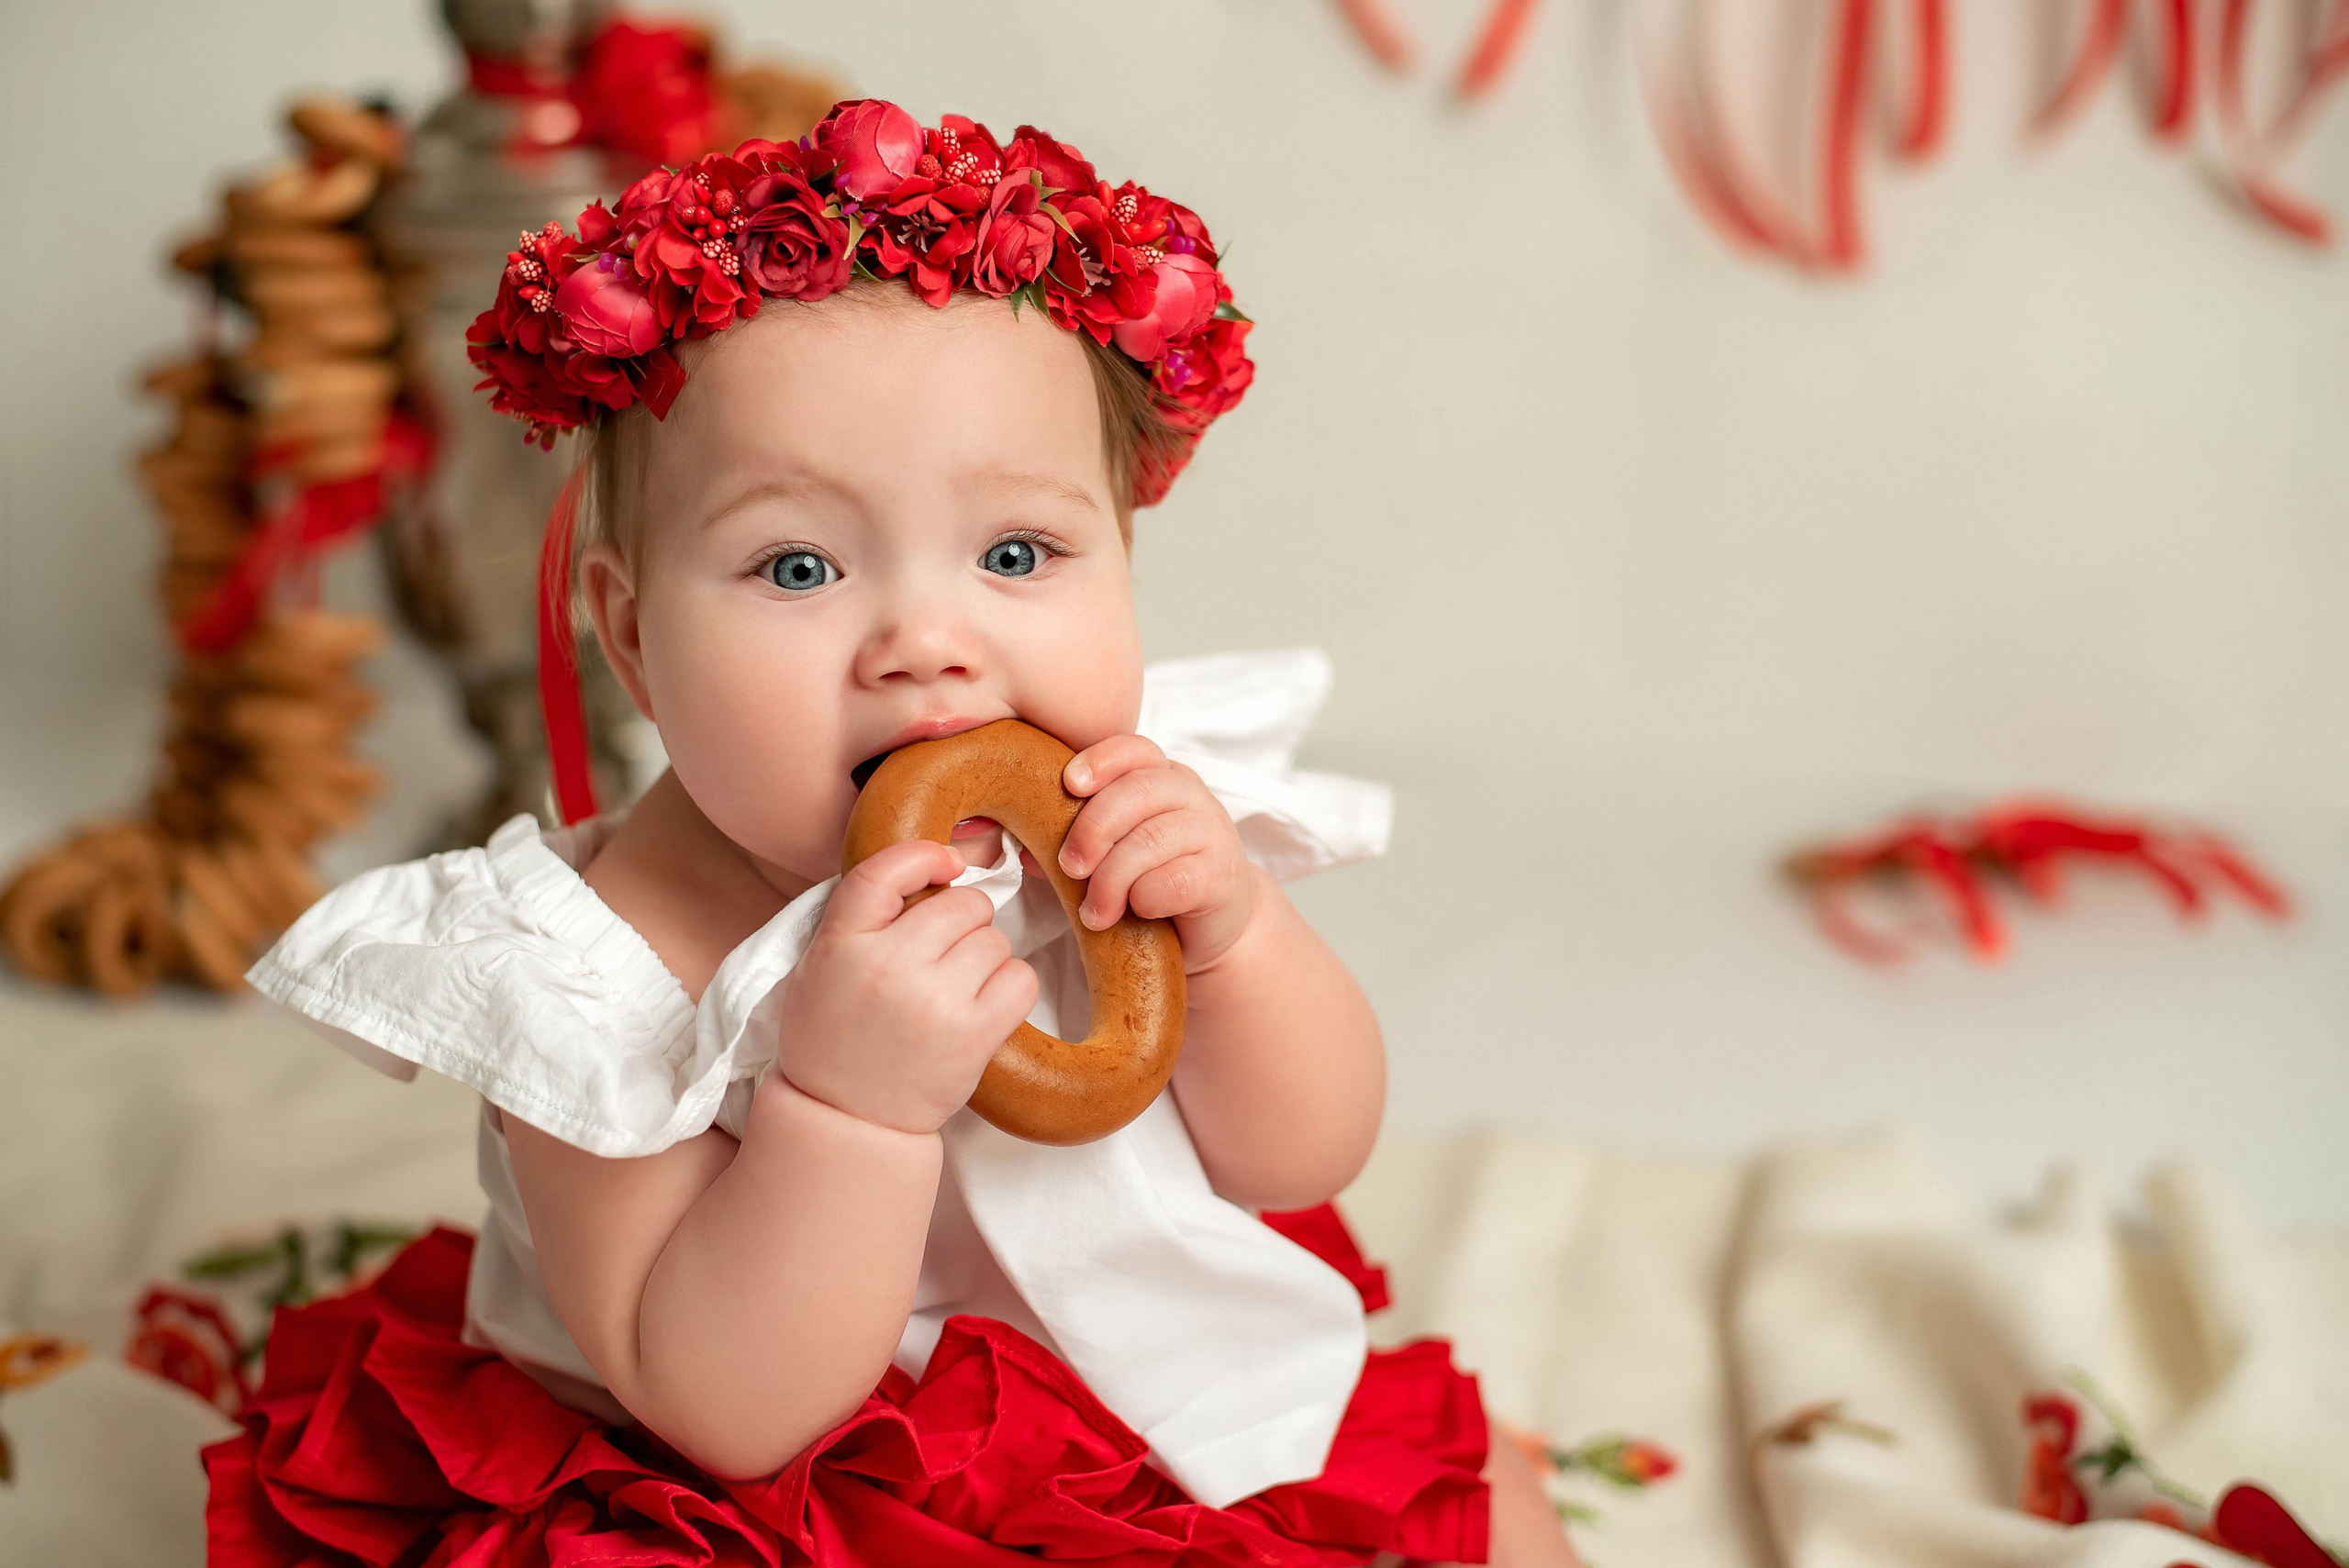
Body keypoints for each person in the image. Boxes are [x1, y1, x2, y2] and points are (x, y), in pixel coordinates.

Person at [208, 98, 1579, 1566]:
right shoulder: (589, 966)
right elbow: (725, 1405)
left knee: (1459, 1498)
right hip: (768, 1494)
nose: (929, 640)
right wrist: (846, 1111)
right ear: (627, 633)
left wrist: (1238, 934)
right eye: (797, 564)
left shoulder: (1118, 819)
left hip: (1110, 1401)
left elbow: (1298, 1156)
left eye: (1015, 553)